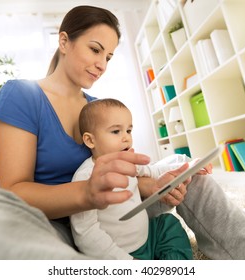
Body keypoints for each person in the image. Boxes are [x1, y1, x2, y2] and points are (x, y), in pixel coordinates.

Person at [0, 5, 245, 260]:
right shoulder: (22, 94)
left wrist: (150, 188)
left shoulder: (98, 108)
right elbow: (16, 192)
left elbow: (120, 177)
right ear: (64, 41)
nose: (102, 64)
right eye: (95, 49)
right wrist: (87, 193)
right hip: (63, 223)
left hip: (116, 217)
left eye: (110, 56)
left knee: (195, 179)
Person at [71, 98, 195, 260]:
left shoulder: (128, 161)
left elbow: (153, 170)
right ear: (90, 140)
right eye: (116, 131)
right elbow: (86, 233)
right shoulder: (85, 177)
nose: (126, 138)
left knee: (168, 223)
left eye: (129, 131)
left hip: (147, 238)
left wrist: (188, 166)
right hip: (121, 253)